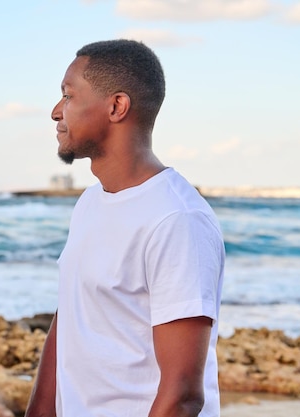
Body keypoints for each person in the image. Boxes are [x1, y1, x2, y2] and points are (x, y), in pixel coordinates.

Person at [24, 40, 225, 417]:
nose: (55, 112)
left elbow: (182, 396)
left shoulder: (176, 219)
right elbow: (69, 319)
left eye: (68, 95)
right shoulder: (90, 203)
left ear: (116, 106)